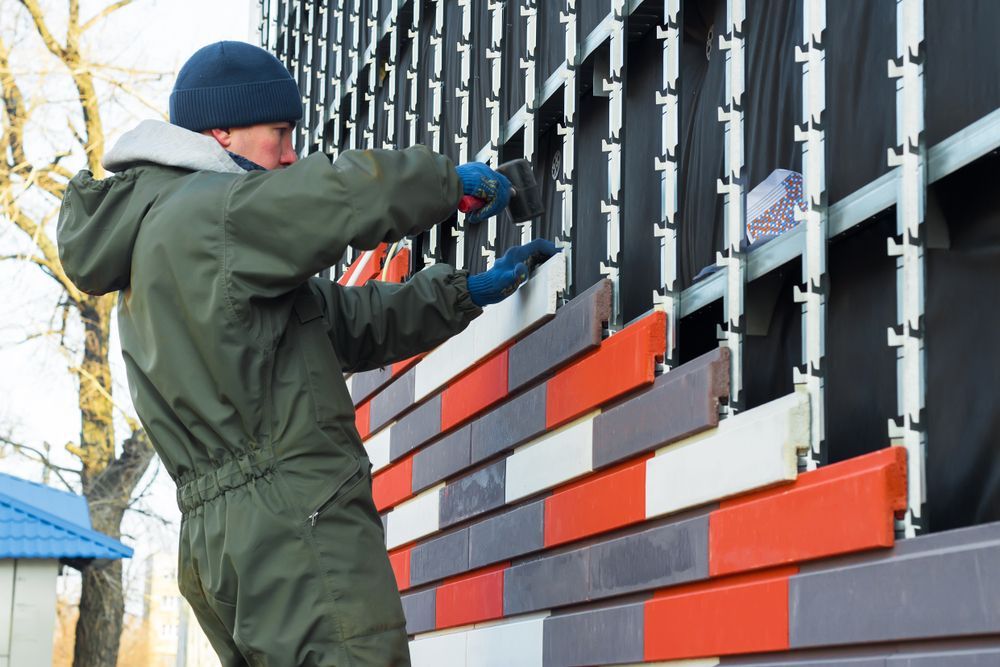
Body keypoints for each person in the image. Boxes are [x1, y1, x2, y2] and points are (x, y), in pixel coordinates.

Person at [57, 41, 558, 666]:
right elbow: (333, 197)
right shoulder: (212, 213)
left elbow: (333, 323)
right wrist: (442, 182)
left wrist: (463, 292)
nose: (290, 154)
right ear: (223, 132)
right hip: (292, 519)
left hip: (222, 541)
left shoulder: (160, 236)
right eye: (281, 132)